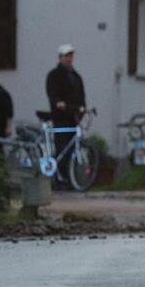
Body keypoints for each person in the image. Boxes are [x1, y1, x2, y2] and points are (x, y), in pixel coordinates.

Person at [46, 44, 86, 184]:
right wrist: (58, 103)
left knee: (72, 148)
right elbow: (52, 94)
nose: (69, 59)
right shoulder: (54, 75)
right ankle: (59, 177)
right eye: (66, 56)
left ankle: (70, 178)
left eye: (70, 56)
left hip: (73, 118)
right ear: (60, 58)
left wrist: (82, 108)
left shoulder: (76, 76)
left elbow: (81, 96)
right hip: (61, 117)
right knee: (62, 147)